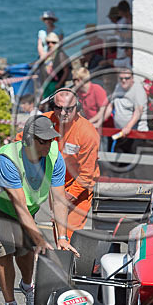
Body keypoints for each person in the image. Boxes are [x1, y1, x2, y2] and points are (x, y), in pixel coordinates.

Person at [0, 115, 78, 305]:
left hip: (26, 201)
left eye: (51, 139)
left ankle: (28, 286)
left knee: (27, 248)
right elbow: (18, 206)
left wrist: (63, 237)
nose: (48, 144)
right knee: (5, 250)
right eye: (43, 140)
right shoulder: (8, 160)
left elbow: (58, 201)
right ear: (29, 139)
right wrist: (40, 238)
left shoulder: (55, 157)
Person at [45, 88, 100, 237]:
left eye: (69, 109)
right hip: (56, 183)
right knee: (58, 232)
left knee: (68, 234)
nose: (63, 113)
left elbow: (87, 175)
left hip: (79, 188)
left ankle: (69, 257)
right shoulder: (44, 122)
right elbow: (20, 141)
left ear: (78, 107)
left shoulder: (87, 133)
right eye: (58, 108)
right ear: (52, 106)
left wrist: (66, 198)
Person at [101, 68, 148, 151]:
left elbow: (138, 111)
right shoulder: (118, 86)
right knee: (117, 161)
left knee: (131, 161)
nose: (123, 80)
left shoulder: (138, 90)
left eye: (127, 78)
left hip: (135, 134)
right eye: (121, 78)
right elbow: (111, 106)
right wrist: (100, 121)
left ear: (132, 78)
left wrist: (128, 127)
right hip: (120, 133)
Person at [40, 32, 71, 98]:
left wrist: (59, 83)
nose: (50, 44)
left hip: (56, 83)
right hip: (48, 83)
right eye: (48, 42)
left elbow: (66, 71)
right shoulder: (49, 54)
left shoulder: (60, 54)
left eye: (53, 42)